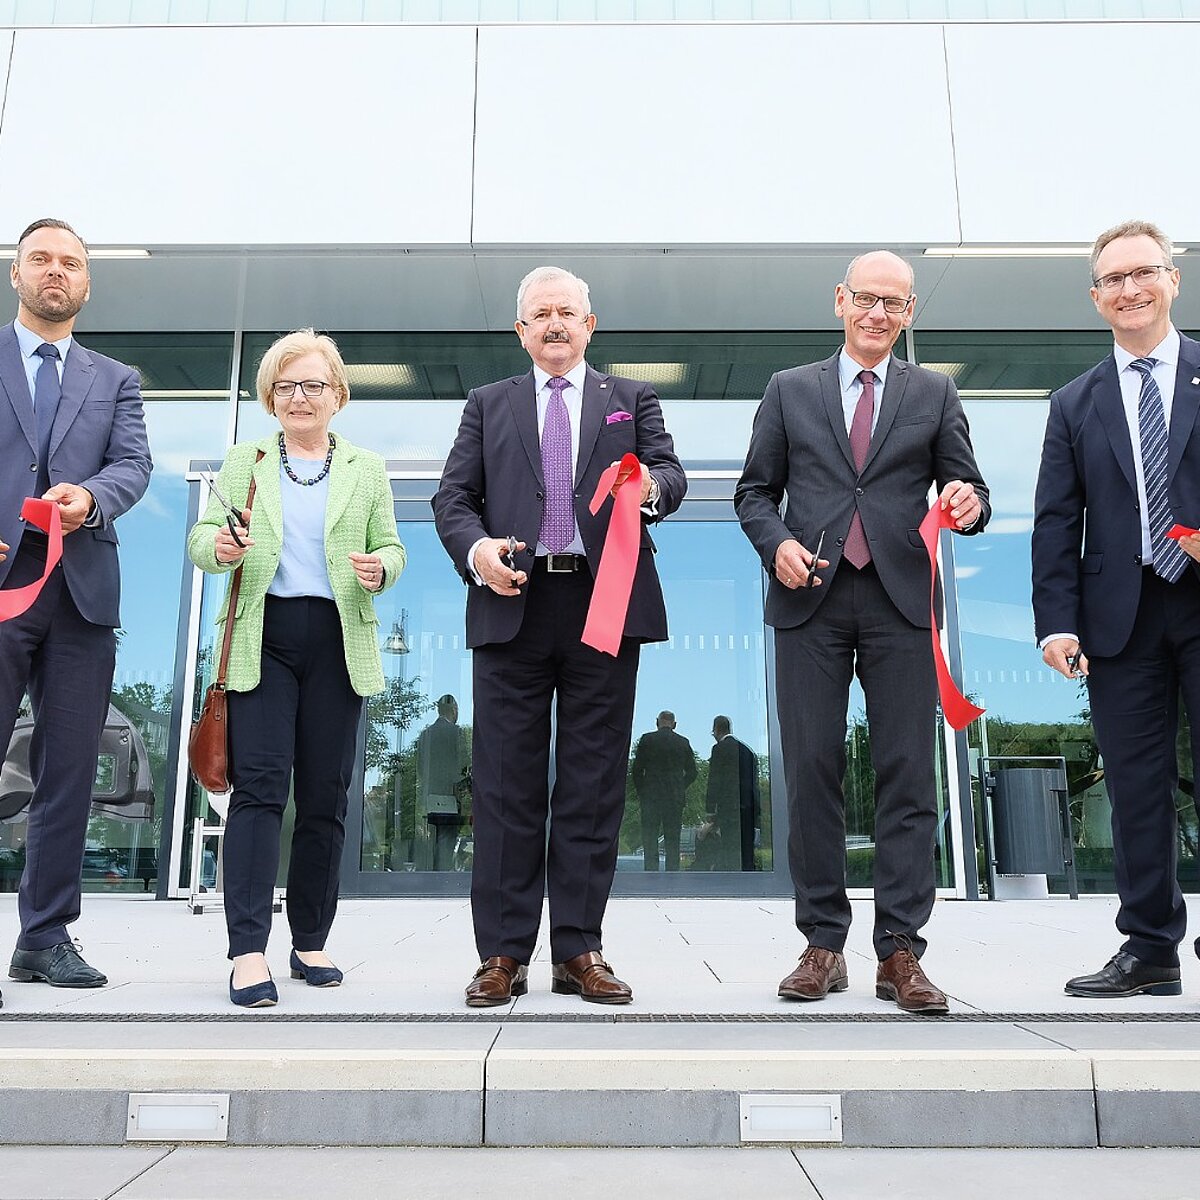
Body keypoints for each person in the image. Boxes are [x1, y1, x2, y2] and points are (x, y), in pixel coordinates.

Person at [735, 250, 989, 1014]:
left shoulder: (936, 392)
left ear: (909, 313)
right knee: (810, 769)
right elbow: (754, 492)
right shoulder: (789, 390)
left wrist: (969, 502)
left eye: (896, 303)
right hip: (809, 595)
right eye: (867, 299)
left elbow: (966, 483)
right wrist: (774, 541)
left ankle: (901, 952)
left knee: (907, 773)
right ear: (840, 301)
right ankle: (822, 944)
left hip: (901, 601)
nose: (879, 313)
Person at [433, 265, 686, 1007]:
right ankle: (503, 954)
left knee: (592, 782)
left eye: (566, 312)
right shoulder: (488, 404)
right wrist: (476, 552)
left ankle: (579, 949)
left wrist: (652, 492)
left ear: (590, 324)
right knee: (506, 785)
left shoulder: (630, 400)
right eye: (539, 313)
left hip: (605, 605)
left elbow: (670, 472)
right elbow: (453, 497)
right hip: (513, 600)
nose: (553, 324)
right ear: (520, 330)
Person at [187, 329, 405, 1008]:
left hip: (339, 639)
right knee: (257, 791)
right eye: (286, 386)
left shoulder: (366, 467)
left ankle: (309, 939)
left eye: (313, 385)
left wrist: (380, 569)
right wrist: (220, 546)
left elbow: (391, 546)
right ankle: (248, 950)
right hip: (265, 637)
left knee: (325, 796)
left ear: (337, 395)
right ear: (270, 397)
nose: (299, 397)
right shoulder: (244, 459)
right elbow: (202, 541)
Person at [1032, 220, 1200, 1000]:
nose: (1130, 289)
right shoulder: (1075, 402)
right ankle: (1150, 951)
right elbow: (1057, 520)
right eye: (1114, 280)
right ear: (1095, 297)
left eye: (1143, 273)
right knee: (1135, 785)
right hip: (1120, 618)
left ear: (1172, 279)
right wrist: (1056, 621)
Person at [0, 218, 152, 1001]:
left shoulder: (114, 376)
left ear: (86, 283)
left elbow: (134, 464)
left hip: (81, 597)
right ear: (17, 273)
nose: (55, 272)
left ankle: (45, 937)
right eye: (41, 260)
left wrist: (91, 497)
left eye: (71, 263)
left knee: (66, 776)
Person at [630, 710, 697, 871]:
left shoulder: (647, 740)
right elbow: (693, 772)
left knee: (650, 838)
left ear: (657, 722)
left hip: (651, 797)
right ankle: (672, 877)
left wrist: (643, 791)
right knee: (672, 840)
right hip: (674, 798)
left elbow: (637, 770)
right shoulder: (683, 742)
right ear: (674, 724)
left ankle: (651, 874)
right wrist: (680, 786)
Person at [415, 694, 468, 871]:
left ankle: (431, 873)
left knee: (432, 838)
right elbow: (463, 766)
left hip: (429, 796)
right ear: (454, 710)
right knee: (447, 838)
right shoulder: (456, 733)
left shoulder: (425, 735)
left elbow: (421, 769)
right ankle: (442, 878)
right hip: (450, 796)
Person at [705, 715, 760, 872]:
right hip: (748, 807)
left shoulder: (719, 749)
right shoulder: (748, 751)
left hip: (728, 808)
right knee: (746, 848)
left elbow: (714, 780)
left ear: (716, 729)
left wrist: (710, 808)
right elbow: (753, 783)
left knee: (729, 846)